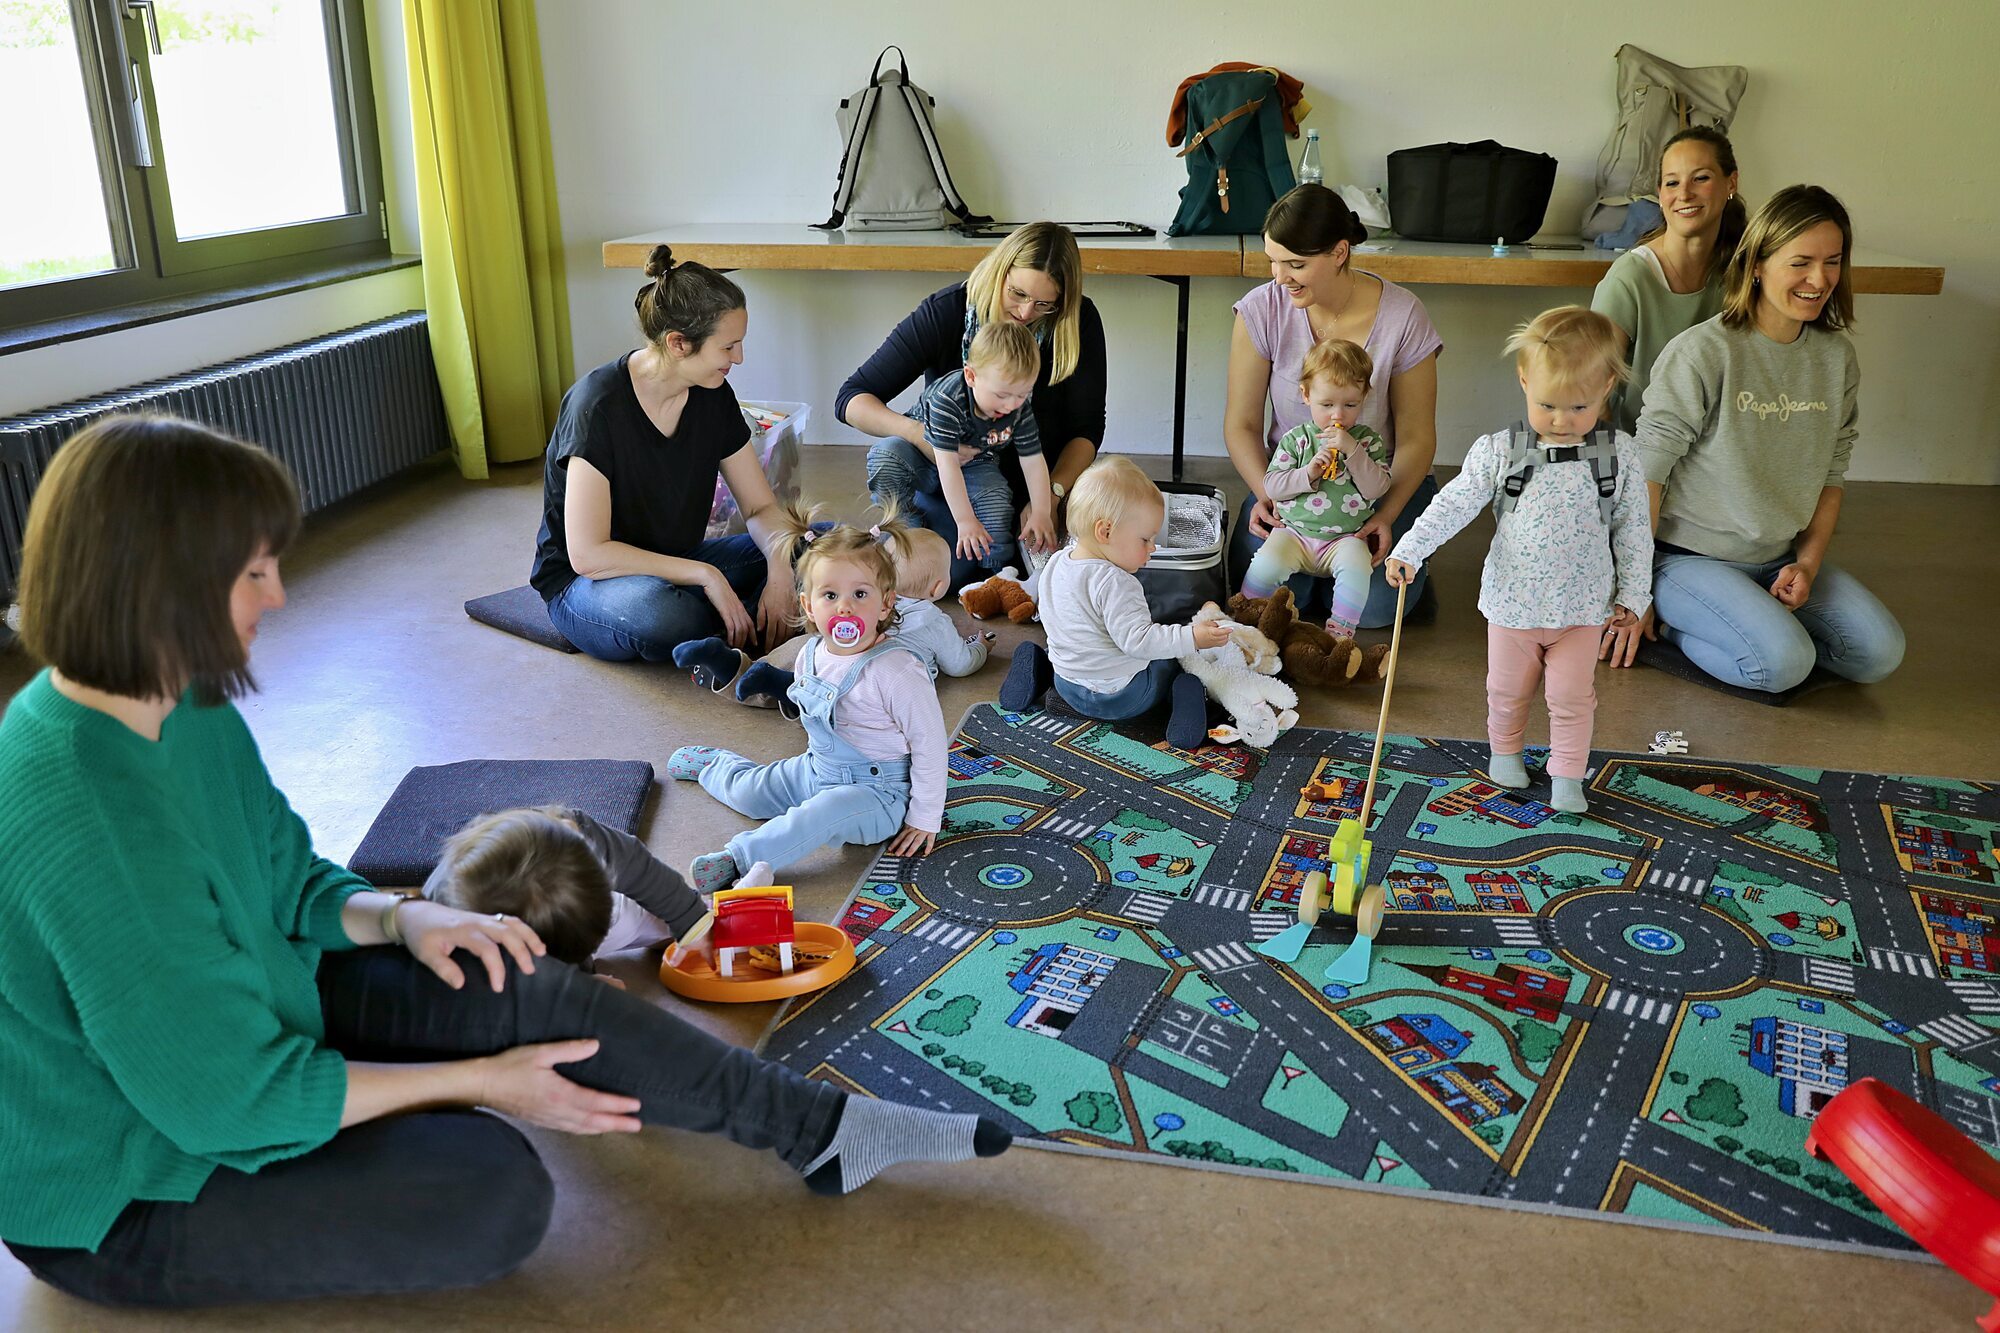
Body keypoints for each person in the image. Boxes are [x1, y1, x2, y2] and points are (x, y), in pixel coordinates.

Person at [0, 416, 1008, 1308]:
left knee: (509, 963)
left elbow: (291, 882)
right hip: (135, 1180)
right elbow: (223, 1100)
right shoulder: (76, 807)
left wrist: (409, 917)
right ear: (163, 586)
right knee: (494, 1187)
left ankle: (823, 1130)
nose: (279, 592)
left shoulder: (184, 698)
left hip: (261, 1007)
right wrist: (482, 1077)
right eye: (251, 571)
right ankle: (394, 1091)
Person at [1602, 186, 1905, 694]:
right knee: (1784, 665)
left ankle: (1749, 624)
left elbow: (1832, 473)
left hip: (1778, 558)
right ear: (1758, 264)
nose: (1819, 280)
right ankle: (1676, 628)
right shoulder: (1702, 352)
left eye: (1832, 262)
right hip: (1684, 558)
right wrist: (1635, 592)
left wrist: (1806, 564)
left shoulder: (1836, 358)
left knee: (1878, 655)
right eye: (1801, 263)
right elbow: (1647, 473)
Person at [1387, 309, 1652, 814]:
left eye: (1578, 407)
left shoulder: (1619, 456)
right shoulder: (1502, 451)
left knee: (1572, 698)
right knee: (1507, 690)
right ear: (1524, 380)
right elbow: (1453, 504)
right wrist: (1411, 549)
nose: (1561, 420)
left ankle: (1567, 774)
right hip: (1513, 604)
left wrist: (1634, 594)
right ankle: (1506, 753)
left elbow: (1634, 529)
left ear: (1607, 388)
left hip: (1581, 609)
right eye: (1547, 405)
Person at [529, 245, 800, 662]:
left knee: (815, 545)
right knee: (662, 615)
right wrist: (706, 575)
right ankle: (740, 618)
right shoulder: (597, 407)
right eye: (728, 347)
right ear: (678, 343)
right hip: (590, 583)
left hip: (677, 562)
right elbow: (588, 554)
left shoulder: (712, 394)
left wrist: (780, 572)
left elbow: (760, 506)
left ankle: (738, 617)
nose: (739, 358)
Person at [668, 521, 947, 893]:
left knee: (819, 815)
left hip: (881, 794)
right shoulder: (810, 653)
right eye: (830, 595)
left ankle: (740, 858)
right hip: (818, 769)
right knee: (752, 793)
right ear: (809, 606)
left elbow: (931, 745)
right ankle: (716, 766)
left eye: (860, 594)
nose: (844, 606)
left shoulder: (898, 670)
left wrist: (925, 816)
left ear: (886, 603)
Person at [836, 221, 1107, 585]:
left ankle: (1002, 568)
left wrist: (1051, 498)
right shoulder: (947, 312)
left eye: (1044, 304)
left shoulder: (1078, 321)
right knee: (948, 567)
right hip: (953, 472)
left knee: (1071, 556)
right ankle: (906, 536)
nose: (1026, 313)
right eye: (1017, 294)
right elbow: (851, 399)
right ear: (1000, 273)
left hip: (1034, 482)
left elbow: (1087, 429)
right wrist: (921, 435)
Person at [1225, 185, 1443, 627]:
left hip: (1376, 482)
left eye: (1296, 264)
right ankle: (1324, 578)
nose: (1280, 277)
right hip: (1294, 480)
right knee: (1272, 593)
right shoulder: (1261, 309)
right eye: (1273, 261)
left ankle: (1391, 562)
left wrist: (1387, 515)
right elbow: (1241, 424)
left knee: (1375, 609)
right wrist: (1267, 494)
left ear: (1340, 252)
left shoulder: (1403, 316)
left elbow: (1418, 437)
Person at [998, 456, 1230, 751]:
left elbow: (1051, 617)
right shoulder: (1117, 583)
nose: (1152, 548)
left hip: (1068, 685)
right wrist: (1192, 637)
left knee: (1070, 642)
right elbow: (1140, 643)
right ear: (1105, 532)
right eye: (1145, 539)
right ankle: (1183, 700)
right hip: (1125, 698)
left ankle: (1040, 669)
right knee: (1170, 661)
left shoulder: (1056, 563)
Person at [675, 505, 991, 714]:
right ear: (938, 588)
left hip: (821, 646)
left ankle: (728, 663)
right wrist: (980, 647)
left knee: (799, 658)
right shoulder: (933, 620)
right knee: (839, 703)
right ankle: (785, 689)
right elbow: (960, 664)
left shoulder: (865, 599)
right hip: (874, 679)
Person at [422, 806, 768, 968]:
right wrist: (582, 982)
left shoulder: (575, 835)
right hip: (536, 954)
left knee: (671, 925)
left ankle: (721, 909)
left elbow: (643, 871)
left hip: (571, 925)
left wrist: (692, 921)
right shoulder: (448, 926)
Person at [868, 320, 1055, 577]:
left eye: (1022, 394)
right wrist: (965, 521)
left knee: (997, 506)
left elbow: (1033, 460)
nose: (1011, 405)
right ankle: (906, 531)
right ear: (971, 376)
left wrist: (1042, 511)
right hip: (925, 455)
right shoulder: (948, 398)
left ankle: (998, 574)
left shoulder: (1018, 408)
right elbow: (947, 464)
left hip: (977, 460)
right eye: (1002, 395)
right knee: (885, 456)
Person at [1590, 127, 1746, 434]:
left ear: (1731, 183)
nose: (1684, 194)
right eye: (1672, 182)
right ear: (1660, 195)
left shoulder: (1744, 269)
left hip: (1720, 446)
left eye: (1700, 178)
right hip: (1640, 448)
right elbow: (1593, 391)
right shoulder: (1629, 278)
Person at [1239, 337, 1392, 643]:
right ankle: (1246, 621)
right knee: (1265, 564)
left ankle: (1338, 635)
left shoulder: (1368, 442)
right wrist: (1307, 473)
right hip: (1294, 533)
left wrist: (1353, 452)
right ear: (1306, 395)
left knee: (1358, 569)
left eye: (1350, 405)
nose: (1338, 415)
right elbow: (1272, 486)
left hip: (1345, 538)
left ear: (1364, 397)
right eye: (1327, 405)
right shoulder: (1297, 440)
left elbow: (1377, 488)